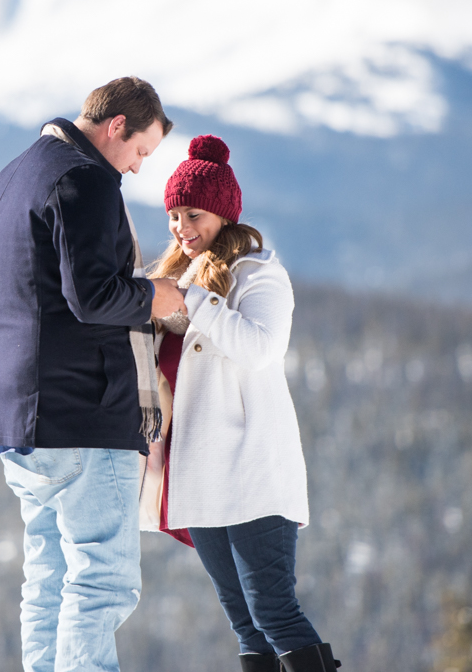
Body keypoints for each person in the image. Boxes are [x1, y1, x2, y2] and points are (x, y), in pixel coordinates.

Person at [0, 77, 186, 672]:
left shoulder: (8, 180)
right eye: (141, 151)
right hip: (86, 415)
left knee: (47, 578)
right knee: (101, 582)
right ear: (115, 126)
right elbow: (92, 297)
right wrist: (154, 297)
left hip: (18, 422)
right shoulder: (88, 180)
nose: (138, 168)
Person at [142, 134, 341, 672]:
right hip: (200, 475)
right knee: (246, 626)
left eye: (193, 215)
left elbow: (260, 349)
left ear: (223, 215)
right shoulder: (176, 279)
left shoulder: (258, 274)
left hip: (253, 473)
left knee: (274, 613)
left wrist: (191, 300)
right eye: (174, 216)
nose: (181, 227)